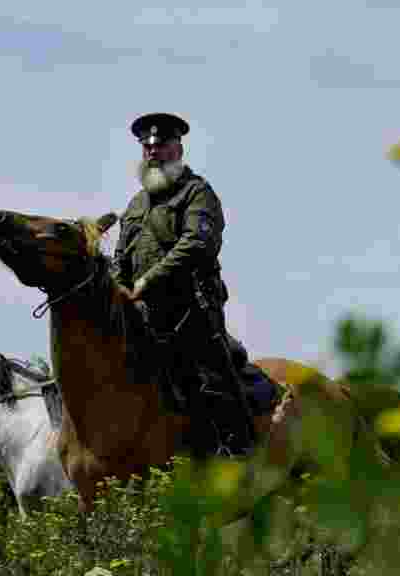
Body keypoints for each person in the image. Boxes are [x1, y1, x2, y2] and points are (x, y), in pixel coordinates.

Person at [110, 112, 256, 458]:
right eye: (147, 146)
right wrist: (117, 289)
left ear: (177, 148)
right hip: (141, 314)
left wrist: (147, 280)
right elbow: (120, 258)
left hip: (191, 310)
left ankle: (238, 454)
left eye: (160, 145)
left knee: (210, 378)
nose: (152, 151)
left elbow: (196, 245)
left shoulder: (197, 193)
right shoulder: (136, 205)